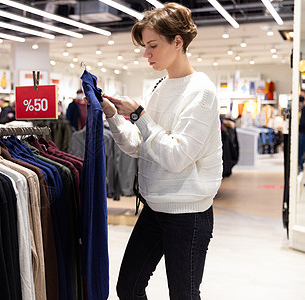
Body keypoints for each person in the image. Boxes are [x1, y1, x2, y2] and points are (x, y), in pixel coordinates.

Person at [99, 3, 222, 299]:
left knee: (183, 294)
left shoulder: (201, 91)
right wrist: (114, 116)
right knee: (128, 287)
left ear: (177, 42)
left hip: (187, 213)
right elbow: (138, 146)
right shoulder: (159, 86)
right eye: (145, 46)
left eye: (153, 45)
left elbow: (177, 157)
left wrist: (140, 115)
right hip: (155, 207)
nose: (146, 54)